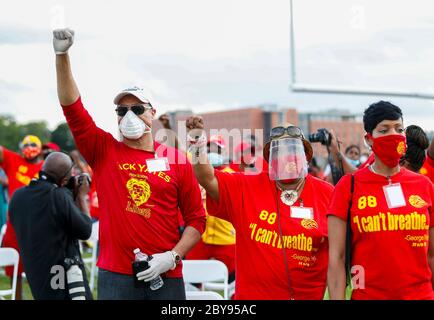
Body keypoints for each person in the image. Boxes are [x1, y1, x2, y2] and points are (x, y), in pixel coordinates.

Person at [53, 28, 206, 300]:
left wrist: (172, 257)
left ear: (152, 113)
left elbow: (197, 219)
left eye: (137, 109)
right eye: (122, 110)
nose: (129, 116)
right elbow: (72, 108)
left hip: (166, 275)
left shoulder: (176, 159)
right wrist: (62, 56)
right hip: (116, 275)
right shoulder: (103, 150)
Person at [187, 117, 334, 300]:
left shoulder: (328, 194)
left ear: (307, 156)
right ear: (270, 159)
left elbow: (339, 258)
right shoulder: (245, 186)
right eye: (279, 151)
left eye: (294, 149)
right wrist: (197, 143)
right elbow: (207, 178)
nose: (288, 156)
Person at [327, 101, 434, 300]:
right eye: (384, 130)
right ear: (369, 139)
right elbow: (336, 259)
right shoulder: (348, 187)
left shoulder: (425, 186)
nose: (393, 134)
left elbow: (432, 255)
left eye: (399, 128)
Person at [9, 152, 93, 300]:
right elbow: (85, 230)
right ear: (64, 179)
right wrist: (80, 196)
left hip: (36, 275)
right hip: (62, 275)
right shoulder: (58, 195)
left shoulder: (17, 196)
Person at [0, 120, 44, 299]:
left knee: (40, 270)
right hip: (15, 226)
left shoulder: (46, 167)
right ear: (20, 148)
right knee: (13, 269)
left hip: (39, 226)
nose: (29, 147)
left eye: (33, 144)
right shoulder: (13, 161)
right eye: (26, 145)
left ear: (40, 148)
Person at [186, 135, 236, 282]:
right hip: (199, 236)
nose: (212, 152)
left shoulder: (233, 176)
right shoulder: (195, 170)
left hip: (227, 237)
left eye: (217, 149)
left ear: (223, 152)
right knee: (192, 281)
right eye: (208, 148)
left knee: (232, 281)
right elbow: (181, 151)